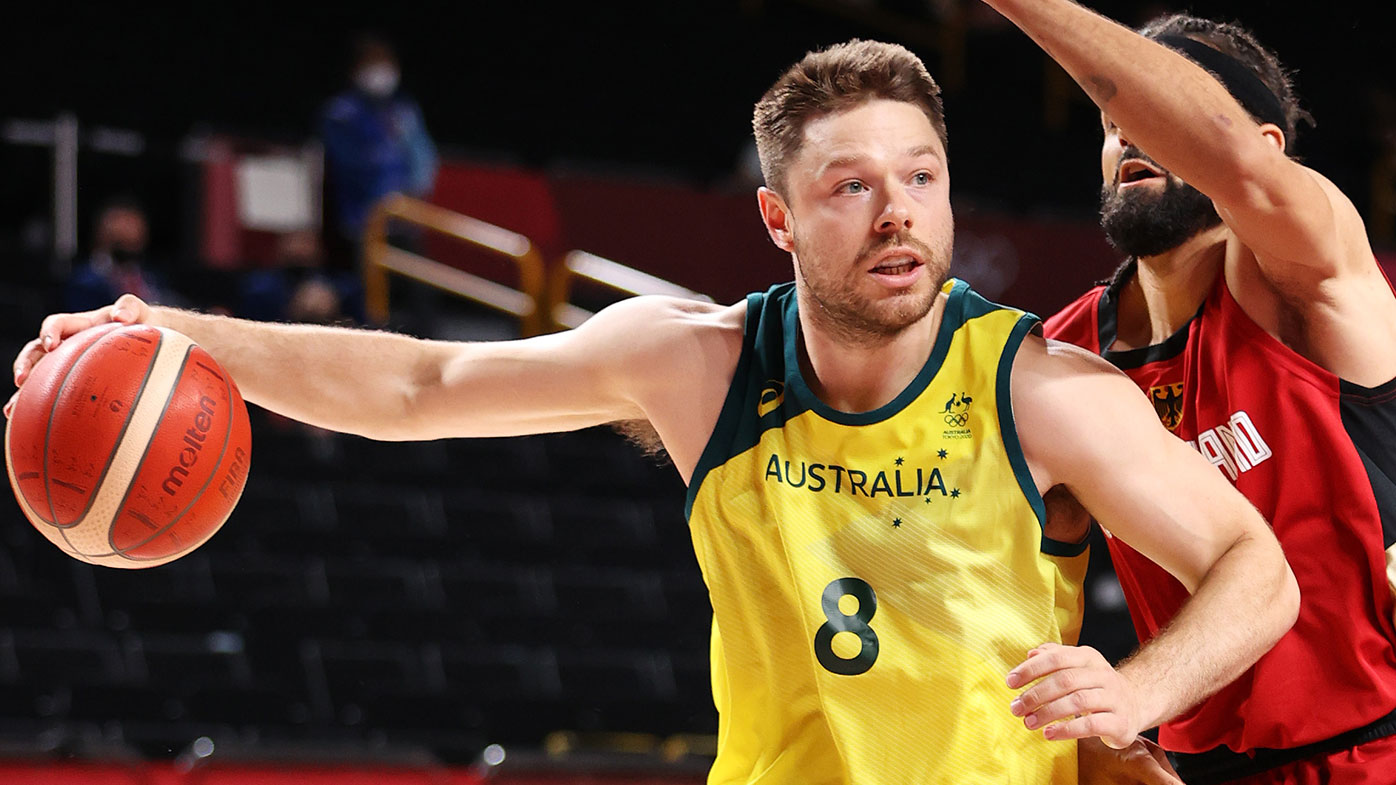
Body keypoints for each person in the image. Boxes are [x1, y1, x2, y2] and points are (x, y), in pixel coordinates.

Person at [9, 40, 1299, 784]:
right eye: (850, 185)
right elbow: (417, 383)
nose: (899, 210)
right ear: (778, 219)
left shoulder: (1034, 384)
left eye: (921, 174)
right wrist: (166, 326)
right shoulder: (698, 363)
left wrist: (1134, 690)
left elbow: (1255, 569)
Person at [980, 1, 1396, 782]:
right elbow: (1026, 588)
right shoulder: (1065, 354)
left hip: (1372, 750)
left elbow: (1237, 167)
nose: (1128, 132)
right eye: (1111, 121)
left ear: (1265, 144)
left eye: (1155, 111)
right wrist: (1099, 739)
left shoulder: (1305, 274)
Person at [320, 34, 438, 250]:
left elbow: (423, 156)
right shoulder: (341, 114)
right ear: (356, 69)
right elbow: (349, 163)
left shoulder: (404, 110)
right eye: (373, 62)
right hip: (363, 221)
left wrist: (413, 193)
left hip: (406, 220)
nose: (381, 70)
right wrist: (386, 200)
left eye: (386, 62)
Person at [65, 198, 180, 313]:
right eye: (123, 226)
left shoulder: (154, 276)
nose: (131, 232)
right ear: (102, 233)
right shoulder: (84, 281)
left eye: (135, 226)